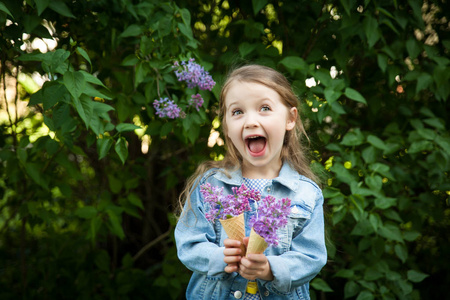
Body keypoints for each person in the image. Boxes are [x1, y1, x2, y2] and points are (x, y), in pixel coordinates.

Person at [175, 64, 327, 300]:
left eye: (264, 108)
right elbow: (188, 243)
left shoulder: (306, 194)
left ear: (290, 118)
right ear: (226, 126)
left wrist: (270, 269)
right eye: (237, 112)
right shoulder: (210, 186)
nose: (250, 121)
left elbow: (311, 257)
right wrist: (219, 257)